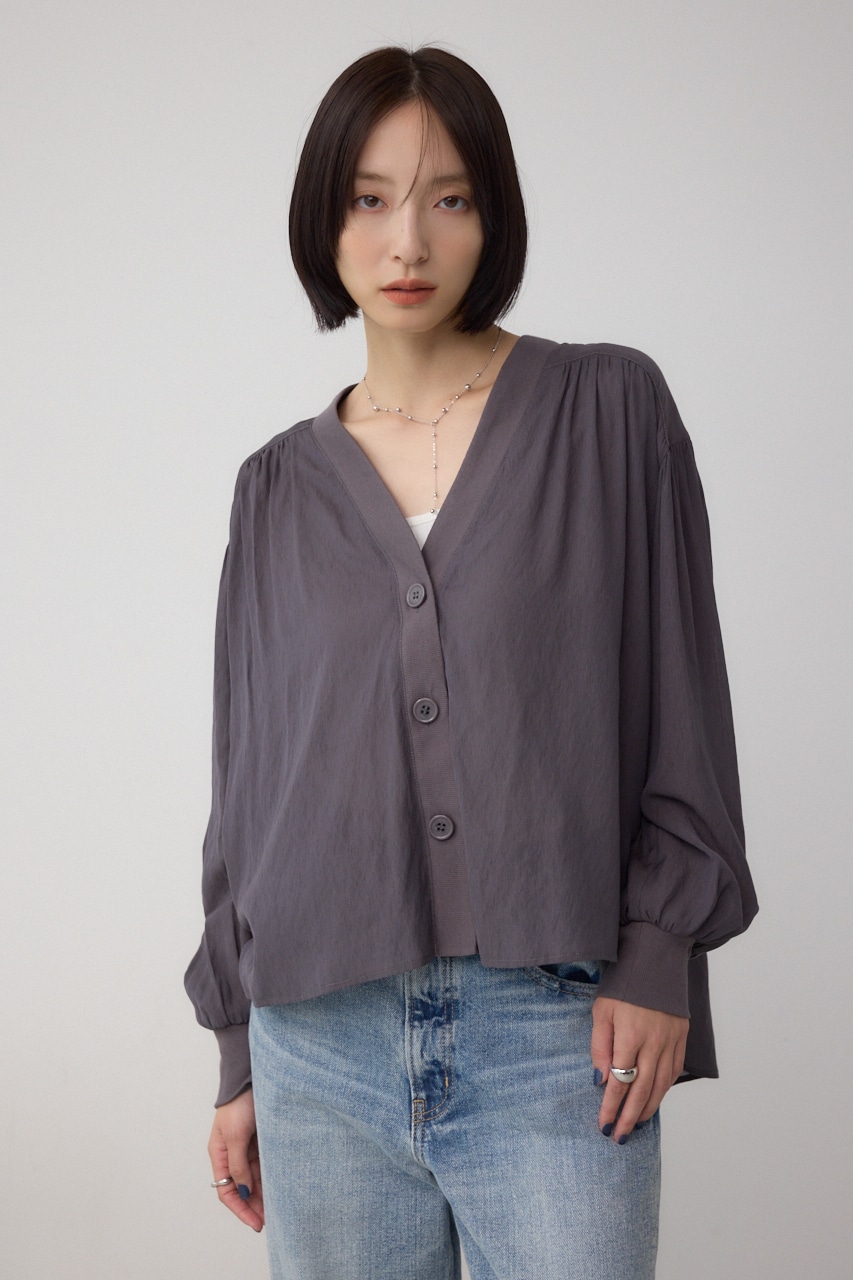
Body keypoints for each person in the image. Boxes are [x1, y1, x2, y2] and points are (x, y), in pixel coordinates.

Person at [185, 45, 758, 1279]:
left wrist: (659, 954)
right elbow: (249, 782)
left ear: (492, 214)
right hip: (317, 1045)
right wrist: (238, 1049)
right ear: (324, 220)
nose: (407, 241)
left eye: (447, 197)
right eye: (368, 199)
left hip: (557, 1028)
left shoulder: (609, 411)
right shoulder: (273, 488)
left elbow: (683, 701)